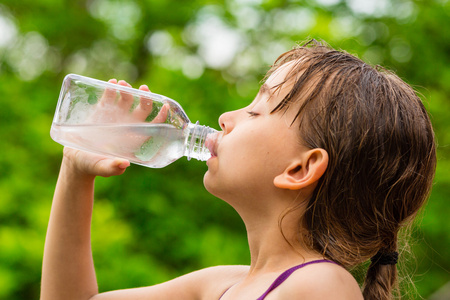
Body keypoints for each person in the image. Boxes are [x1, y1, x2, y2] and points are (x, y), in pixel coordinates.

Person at [40, 39, 436, 300]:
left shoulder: (319, 285)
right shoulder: (221, 285)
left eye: (256, 110)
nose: (227, 117)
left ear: (300, 168)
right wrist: (76, 170)